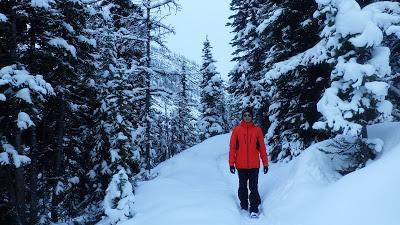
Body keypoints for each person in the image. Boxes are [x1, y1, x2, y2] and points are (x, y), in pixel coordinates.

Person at [229, 107, 269, 217]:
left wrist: (265, 163)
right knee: (242, 187)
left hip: (254, 165)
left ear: (252, 117)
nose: (247, 117)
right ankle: (244, 206)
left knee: (253, 187)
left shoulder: (257, 130)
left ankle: (254, 209)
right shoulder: (237, 130)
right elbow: (232, 148)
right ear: (242, 117)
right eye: (245, 115)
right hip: (240, 165)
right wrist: (231, 163)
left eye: (249, 115)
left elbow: (262, 148)